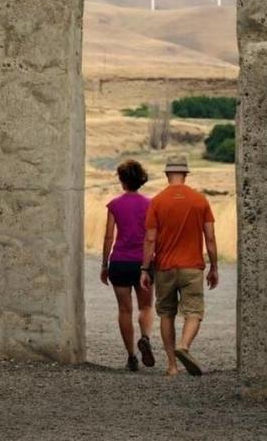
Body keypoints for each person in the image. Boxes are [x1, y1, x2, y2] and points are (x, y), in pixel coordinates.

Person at [139, 155, 219, 377]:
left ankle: (172, 366)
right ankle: (184, 345)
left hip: (165, 267)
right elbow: (210, 238)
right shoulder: (200, 200)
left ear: (166, 175)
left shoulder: (157, 201)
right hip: (192, 267)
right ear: (185, 174)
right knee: (193, 312)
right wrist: (214, 267)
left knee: (166, 314)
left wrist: (145, 269)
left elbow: (150, 239)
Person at [101, 160, 156, 371]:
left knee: (124, 310)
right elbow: (152, 236)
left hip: (120, 261)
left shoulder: (114, 205)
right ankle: (145, 337)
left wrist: (104, 264)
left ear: (122, 180)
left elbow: (108, 237)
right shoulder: (150, 204)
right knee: (146, 306)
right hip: (143, 262)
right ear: (140, 179)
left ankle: (132, 356)